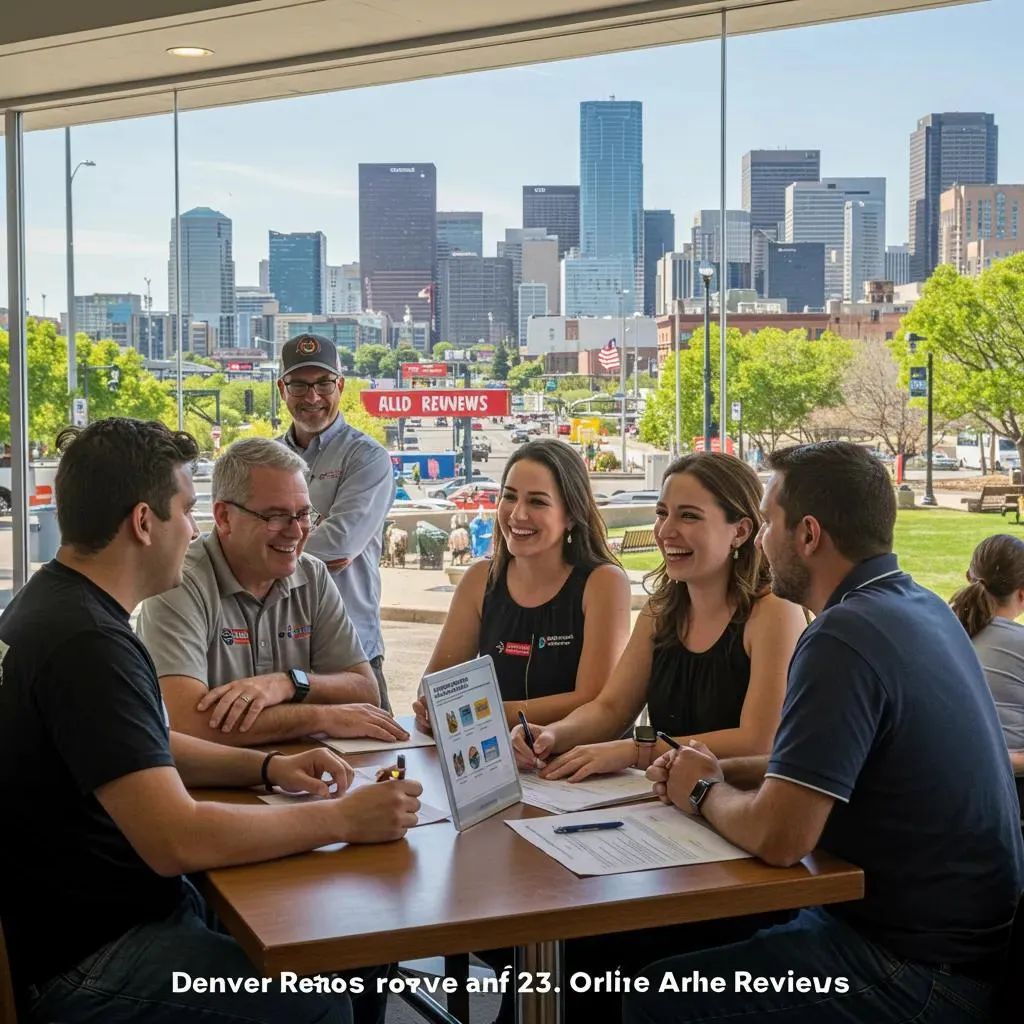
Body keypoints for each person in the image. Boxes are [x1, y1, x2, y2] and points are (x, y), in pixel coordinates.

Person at [0, 418, 423, 1024]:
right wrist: (342, 818)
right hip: (91, 955)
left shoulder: (54, 607)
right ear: (144, 522)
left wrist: (268, 767)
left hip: (94, 918)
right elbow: (177, 838)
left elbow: (143, 747)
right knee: (322, 1008)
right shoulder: (89, 645)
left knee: (319, 937)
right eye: (185, 510)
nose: (194, 529)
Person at [625, 441, 1024, 1024]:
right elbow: (823, 769)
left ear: (808, 534)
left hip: (913, 970)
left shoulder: (842, 637)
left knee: (649, 1002)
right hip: (962, 947)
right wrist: (718, 769)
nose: (761, 541)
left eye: (767, 524)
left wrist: (703, 791)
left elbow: (781, 837)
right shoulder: (920, 606)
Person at [511, 452, 806, 783]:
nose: (666, 531)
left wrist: (638, 750)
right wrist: (551, 734)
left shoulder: (775, 612)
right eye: (662, 513)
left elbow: (758, 742)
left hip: (739, 803)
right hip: (669, 801)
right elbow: (611, 708)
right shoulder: (660, 611)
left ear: (740, 531)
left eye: (689, 516)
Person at [136, 437, 409, 748]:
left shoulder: (312, 575)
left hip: (302, 772)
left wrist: (288, 683)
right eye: (275, 516)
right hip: (216, 779)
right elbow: (186, 723)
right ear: (224, 517)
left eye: (303, 514)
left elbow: (366, 691)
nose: (295, 531)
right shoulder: (179, 582)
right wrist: (322, 717)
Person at [413, 437, 632, 734]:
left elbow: (593, 701)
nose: (518, 514)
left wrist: (481, 712)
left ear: (571, 516)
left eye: (537, 501)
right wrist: (430, 705)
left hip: (575, 758)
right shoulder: (480, 578)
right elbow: (436, 685)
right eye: (510, 496)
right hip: (496, 754)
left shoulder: (603, 582)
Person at [278, 333, 396, 711]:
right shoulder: (265, 459)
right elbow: (235, 540)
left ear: (340, 386)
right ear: (282, 389)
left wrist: (266, 550)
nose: (312, 396)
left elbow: (339, 545)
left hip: (354, 653)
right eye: (299, 384)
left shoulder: (367, 457)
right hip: (281, 653)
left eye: (323, 383)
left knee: (375, 750)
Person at [950, 533, 1024, 810]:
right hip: (1008, 794)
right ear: (1022, 592)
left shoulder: (941, 632)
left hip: (948, 786)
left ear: (969, 577)